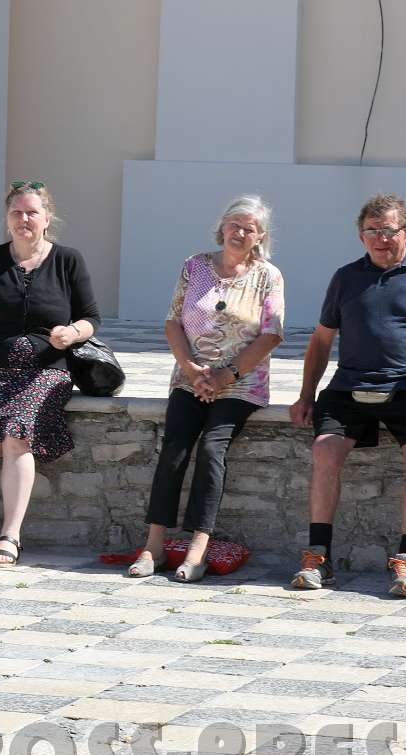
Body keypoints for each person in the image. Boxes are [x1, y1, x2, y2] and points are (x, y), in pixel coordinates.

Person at [288, 193, 406, 597]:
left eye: (388, 231)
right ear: (361, 236)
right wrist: (306, 395)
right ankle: (318, 556)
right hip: (350, 384)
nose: (380, 239)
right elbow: (321, 342)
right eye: (371, 231)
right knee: (325, 450)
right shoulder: (345, 277)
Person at [0, 181, 100, 568]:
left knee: (16, 437)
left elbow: (91, 317)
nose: (24, 219)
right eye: (16, 212)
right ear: (7, 218)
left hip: (46, 370)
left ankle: (11, 535)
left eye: (31, 212)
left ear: (47, 218)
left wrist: (72, 333)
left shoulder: (68, 260)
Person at [129, 196, 285, 581]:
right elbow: (172, 322)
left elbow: (272, 335)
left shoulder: (268, 276)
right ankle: (154, 546)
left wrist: (225, 375)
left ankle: (198, 549)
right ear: (222, 227)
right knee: (176, 446)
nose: (240, 231)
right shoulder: (194, 266)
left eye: (249, 227)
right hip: (191, 377)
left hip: (241, 382)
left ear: (260, 236)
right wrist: (193, 369)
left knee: (213, 447)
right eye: (235, 224)